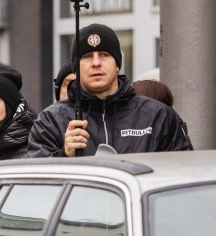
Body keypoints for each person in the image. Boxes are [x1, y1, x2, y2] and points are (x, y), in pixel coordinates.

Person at [28, 24, 193, 157]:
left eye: (104, 55)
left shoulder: (157, 116)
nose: (96, 63)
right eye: (87, 57)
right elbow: (38, 185)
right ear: (76, 69)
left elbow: (182, 173)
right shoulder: (51, 121)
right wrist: (65, 155)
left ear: (117, 65)